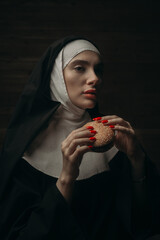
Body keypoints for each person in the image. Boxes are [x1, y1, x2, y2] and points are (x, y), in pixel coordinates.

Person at [0, 35, 159, 240]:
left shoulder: (115, 142)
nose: (95, 78)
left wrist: (137, 160)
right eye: (80, 68)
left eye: (98, 69)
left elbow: (143, 222)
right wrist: (66, 178)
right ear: (55, 75)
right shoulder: (24, 152)